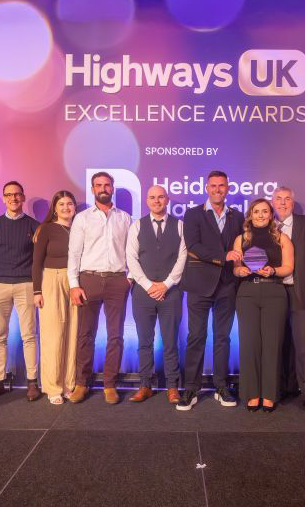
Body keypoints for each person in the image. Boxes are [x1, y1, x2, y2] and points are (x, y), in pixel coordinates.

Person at [177, 170, 245, 411]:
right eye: (213, 186)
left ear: (228, 188)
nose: (218, 189)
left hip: (227, 285)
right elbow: (192, 246)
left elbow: (241, 247)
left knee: (223, 338)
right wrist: (221, 256)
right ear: (206, 188)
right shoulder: (194, 214)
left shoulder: (237, 217)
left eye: (222, 186)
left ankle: (221, 386)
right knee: (196, 336)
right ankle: (191, 389)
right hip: (198, 285)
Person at [67, 172, 132, 405]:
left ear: (112, 188)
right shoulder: (82, 219)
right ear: (93, 189)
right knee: (85, 335)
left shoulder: (125, 218)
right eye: (98, 185)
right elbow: (73, 254)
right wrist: (74, 285)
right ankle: (81, 384)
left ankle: (109, 384)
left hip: (117, 281)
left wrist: (130, 278)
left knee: (116, 335)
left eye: (107, 185)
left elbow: (131, 252)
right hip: (89, 280)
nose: (103, 188)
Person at [0, 181, 40, 404]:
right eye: (9, 195)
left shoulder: (34, 225)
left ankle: (32, 381)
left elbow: (37, 258)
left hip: (26, 285)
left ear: (23, 197)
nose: (13, 198)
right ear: (4, 198)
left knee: (29, 336)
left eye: (17, 195)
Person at [126, 185, 187, 404]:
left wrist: (167, 284)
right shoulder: (136, 226)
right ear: (147, 200)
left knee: (171, 341)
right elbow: (131, 259)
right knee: (144, 341)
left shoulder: (180, 226)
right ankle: (145, 385)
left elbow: (183, 258)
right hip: (143, 293)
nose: (156, 200)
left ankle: (172, 386)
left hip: (171, 293)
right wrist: (149, 285)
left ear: (167, 199)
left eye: (160, 197)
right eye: (152, 197)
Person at [232, 199, 294, 412]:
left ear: (270, 214)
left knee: (272, 345)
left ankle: (269, 394)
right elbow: (236, 269)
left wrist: (273, 271)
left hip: (274, 292)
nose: (260, 215)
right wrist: (240, 271)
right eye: (256, 211)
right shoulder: (241, 239)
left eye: (264, 211)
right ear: (250, 215)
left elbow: (288, 267)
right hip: (247, 293)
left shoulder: (282, 238)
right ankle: (252, 394)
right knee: (249, 344)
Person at [272, 186, 305, 413]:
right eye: (278, 199)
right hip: (274, 293)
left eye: (287, 199)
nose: (283, 203)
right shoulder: (266, 225)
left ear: (293, 203)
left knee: (303, 344)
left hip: (301, 292)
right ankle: (285, 387)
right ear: (272, 203)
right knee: (279, 343)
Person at [32, 190, 79, 405]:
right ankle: (52, 387)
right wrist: (37, 291)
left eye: (69, 203)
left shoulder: (80, 228)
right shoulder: (47, 229)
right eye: (61, 204)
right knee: (53, 334)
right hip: (51, 280)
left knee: (72, 334)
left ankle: (69, 385)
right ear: (54, 208)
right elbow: (36, 261)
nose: (66, 208)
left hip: (75, 282)